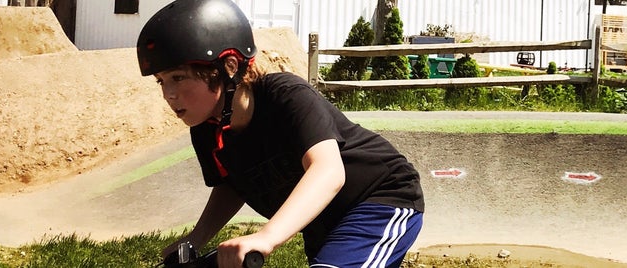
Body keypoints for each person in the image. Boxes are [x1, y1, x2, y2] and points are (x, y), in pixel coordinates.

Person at [136, 0, 424, 267]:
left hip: (379, 200)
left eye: (178, 77)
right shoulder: (207, 129)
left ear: (229, 66)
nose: (168, 94)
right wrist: (196, 239)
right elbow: (232, 185)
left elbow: (328, 170)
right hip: (321, 220)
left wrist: (267, 236)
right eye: (161, 81)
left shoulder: (285, 95)